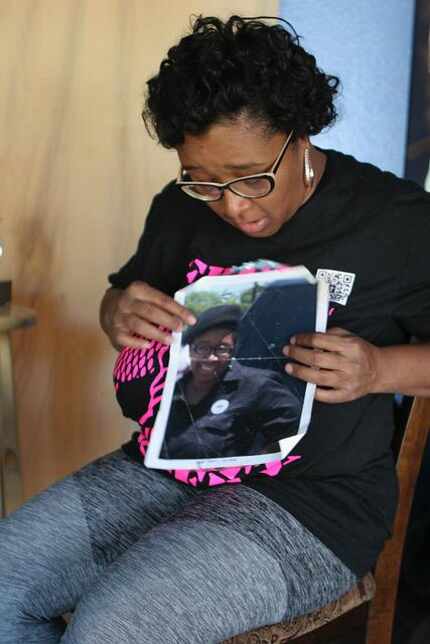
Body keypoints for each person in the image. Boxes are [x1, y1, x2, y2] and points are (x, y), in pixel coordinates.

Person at [1, 14, 429, 644]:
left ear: (300, 134)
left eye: (252, 176)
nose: (234, 206)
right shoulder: (179, 209)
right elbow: (122, 296)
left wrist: (380, 370)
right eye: (205, 181)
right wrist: (117, 307)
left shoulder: (398, 223)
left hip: (311, 502)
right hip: (161, 467)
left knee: (115, 628)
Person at [161, 304, 301, 459]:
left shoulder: (257, 385)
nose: (211, 358)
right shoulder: (171, 388)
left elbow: (296, 431)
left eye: (222, 349)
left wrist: (256, 467)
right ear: (189, 349)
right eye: (202, 347)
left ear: (233, 351)